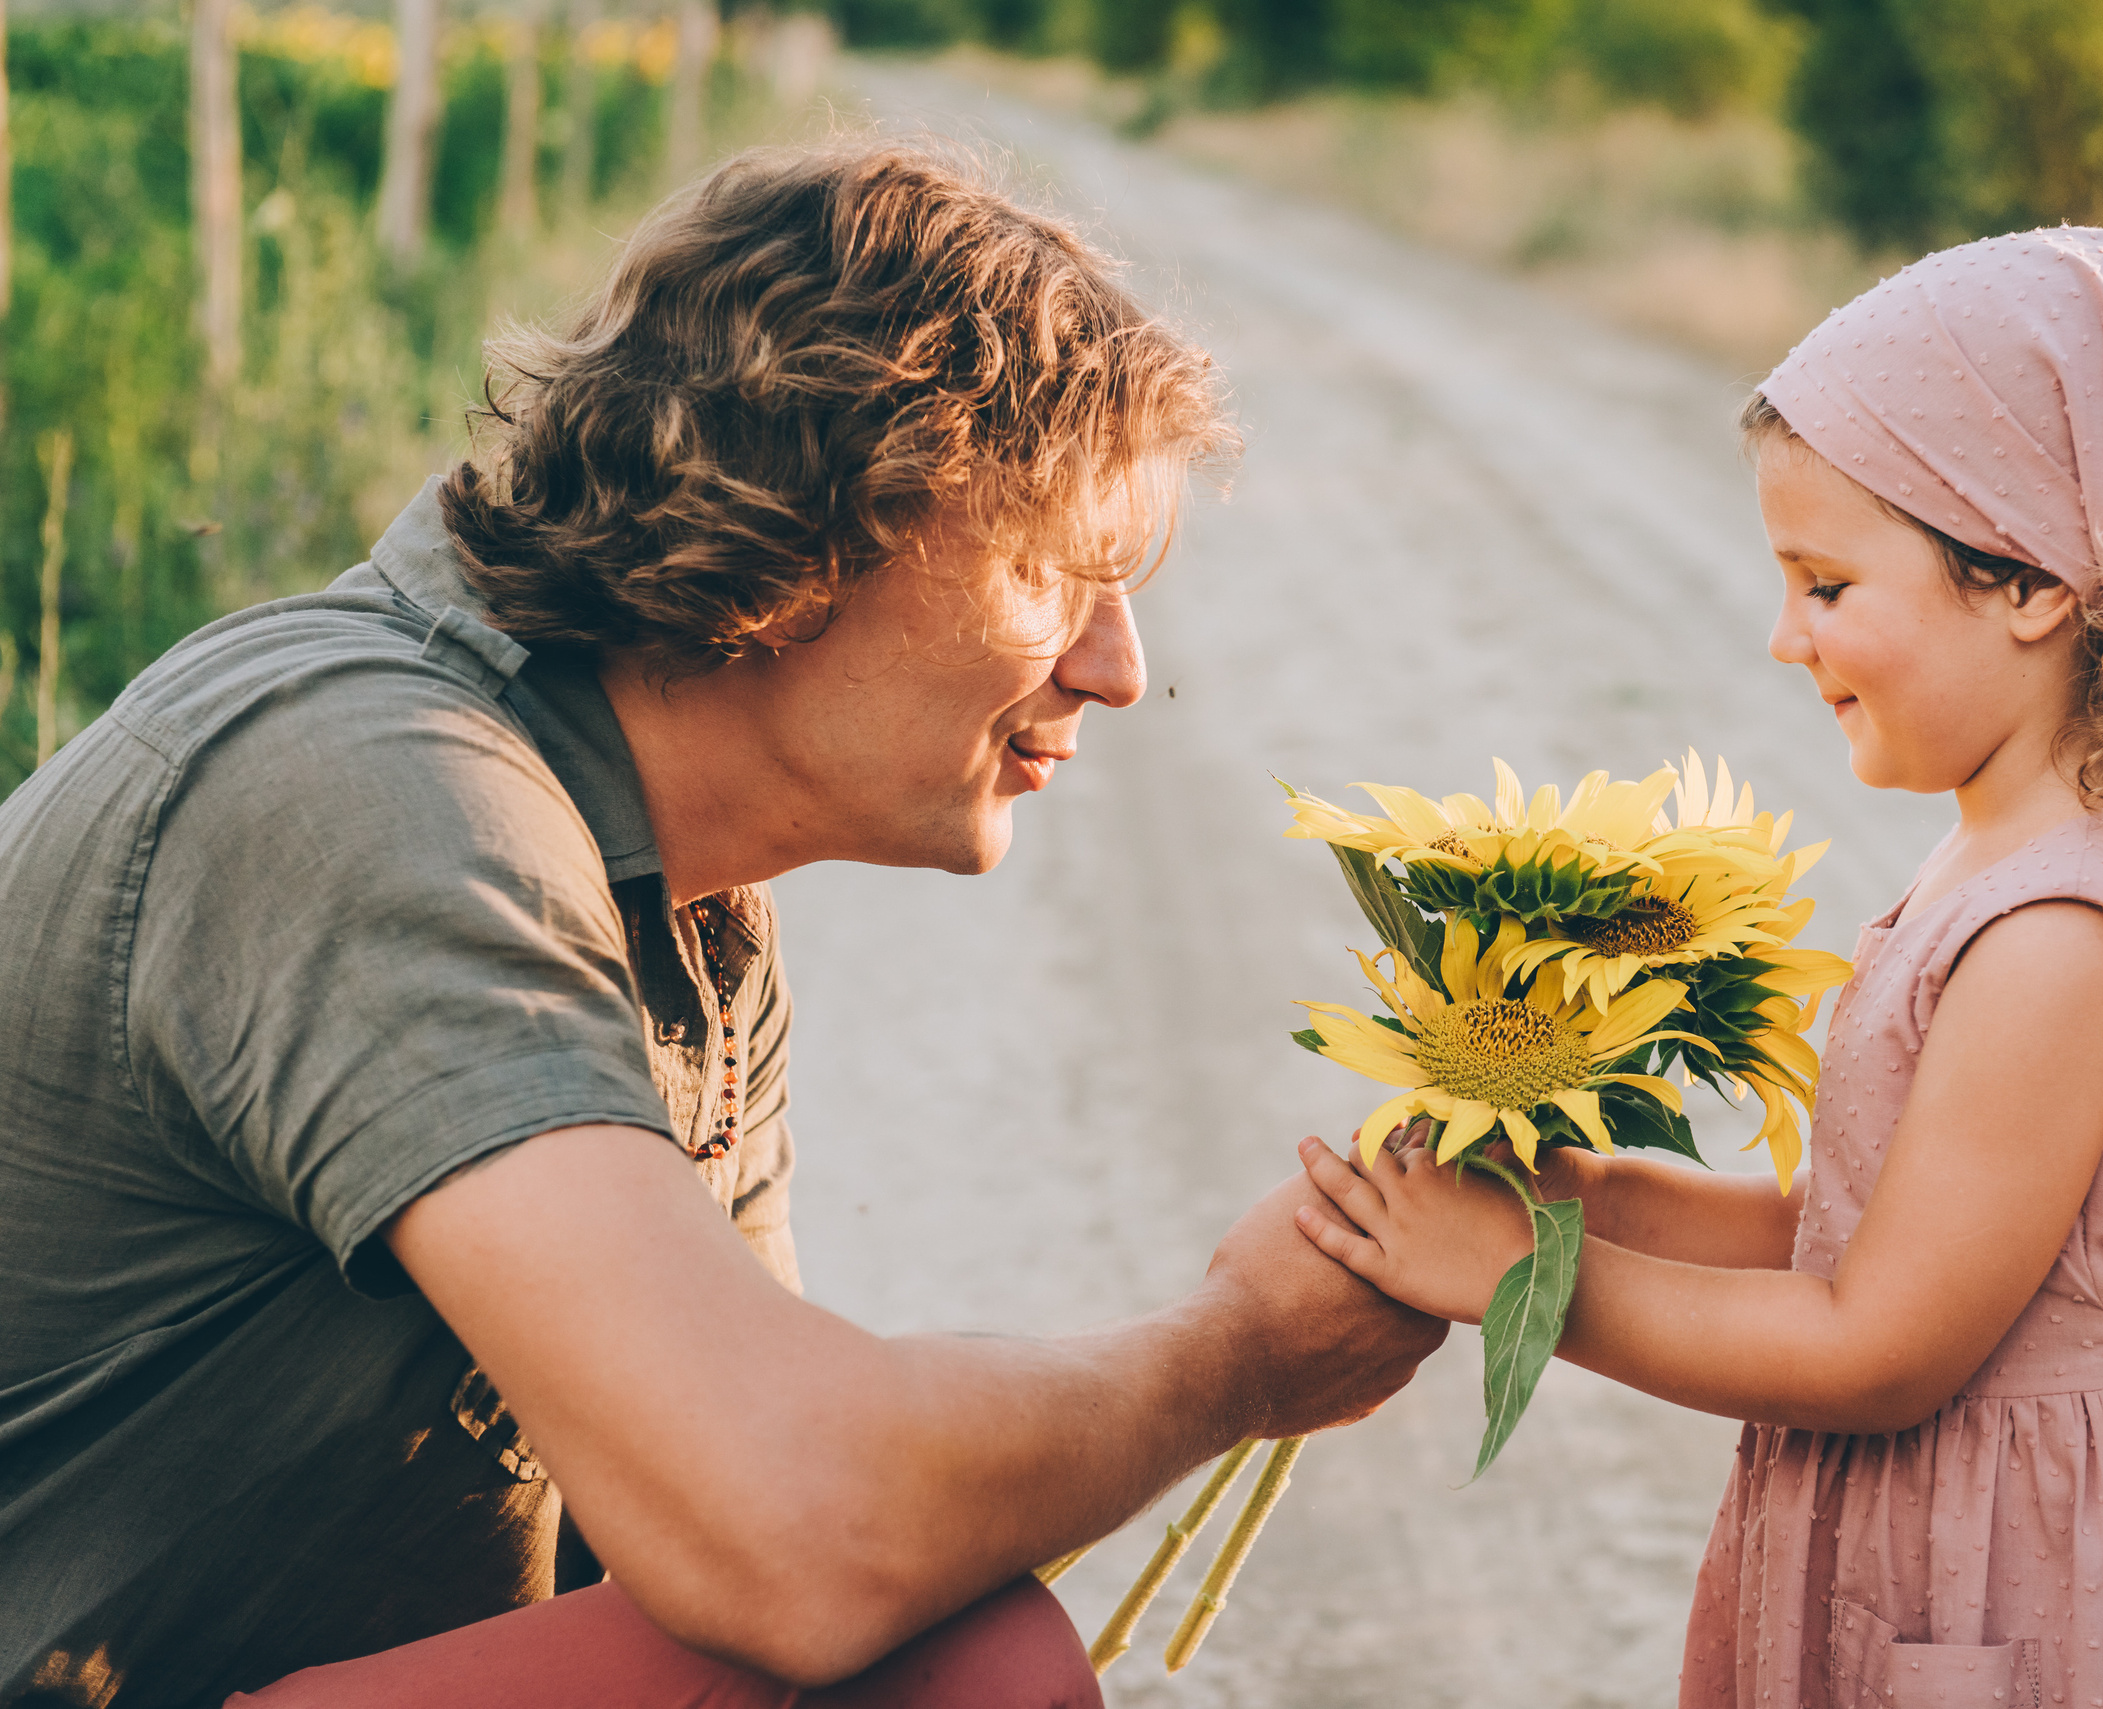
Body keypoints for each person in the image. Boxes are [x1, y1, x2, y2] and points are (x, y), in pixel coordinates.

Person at [0, 142, 1443, 1707]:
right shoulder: (368, 795)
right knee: (954, 1654)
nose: (1118, 666)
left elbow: (757, 1496)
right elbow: (797, 1530)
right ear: (813, 521)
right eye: (1056, 570)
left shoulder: (686, 907)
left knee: (927, 1644)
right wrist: (1231, 1358)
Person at [1293, 222, 2103, 1706]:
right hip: (1943, 1559)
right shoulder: (2008, 854)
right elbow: (1857, 1230)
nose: (1785, 637)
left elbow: (1876, 1343)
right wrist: (1588, 1197)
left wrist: (1527, 1282)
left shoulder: (2061, 940)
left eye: (1827, 584)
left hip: (2013, 1598)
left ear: (2030, 578)